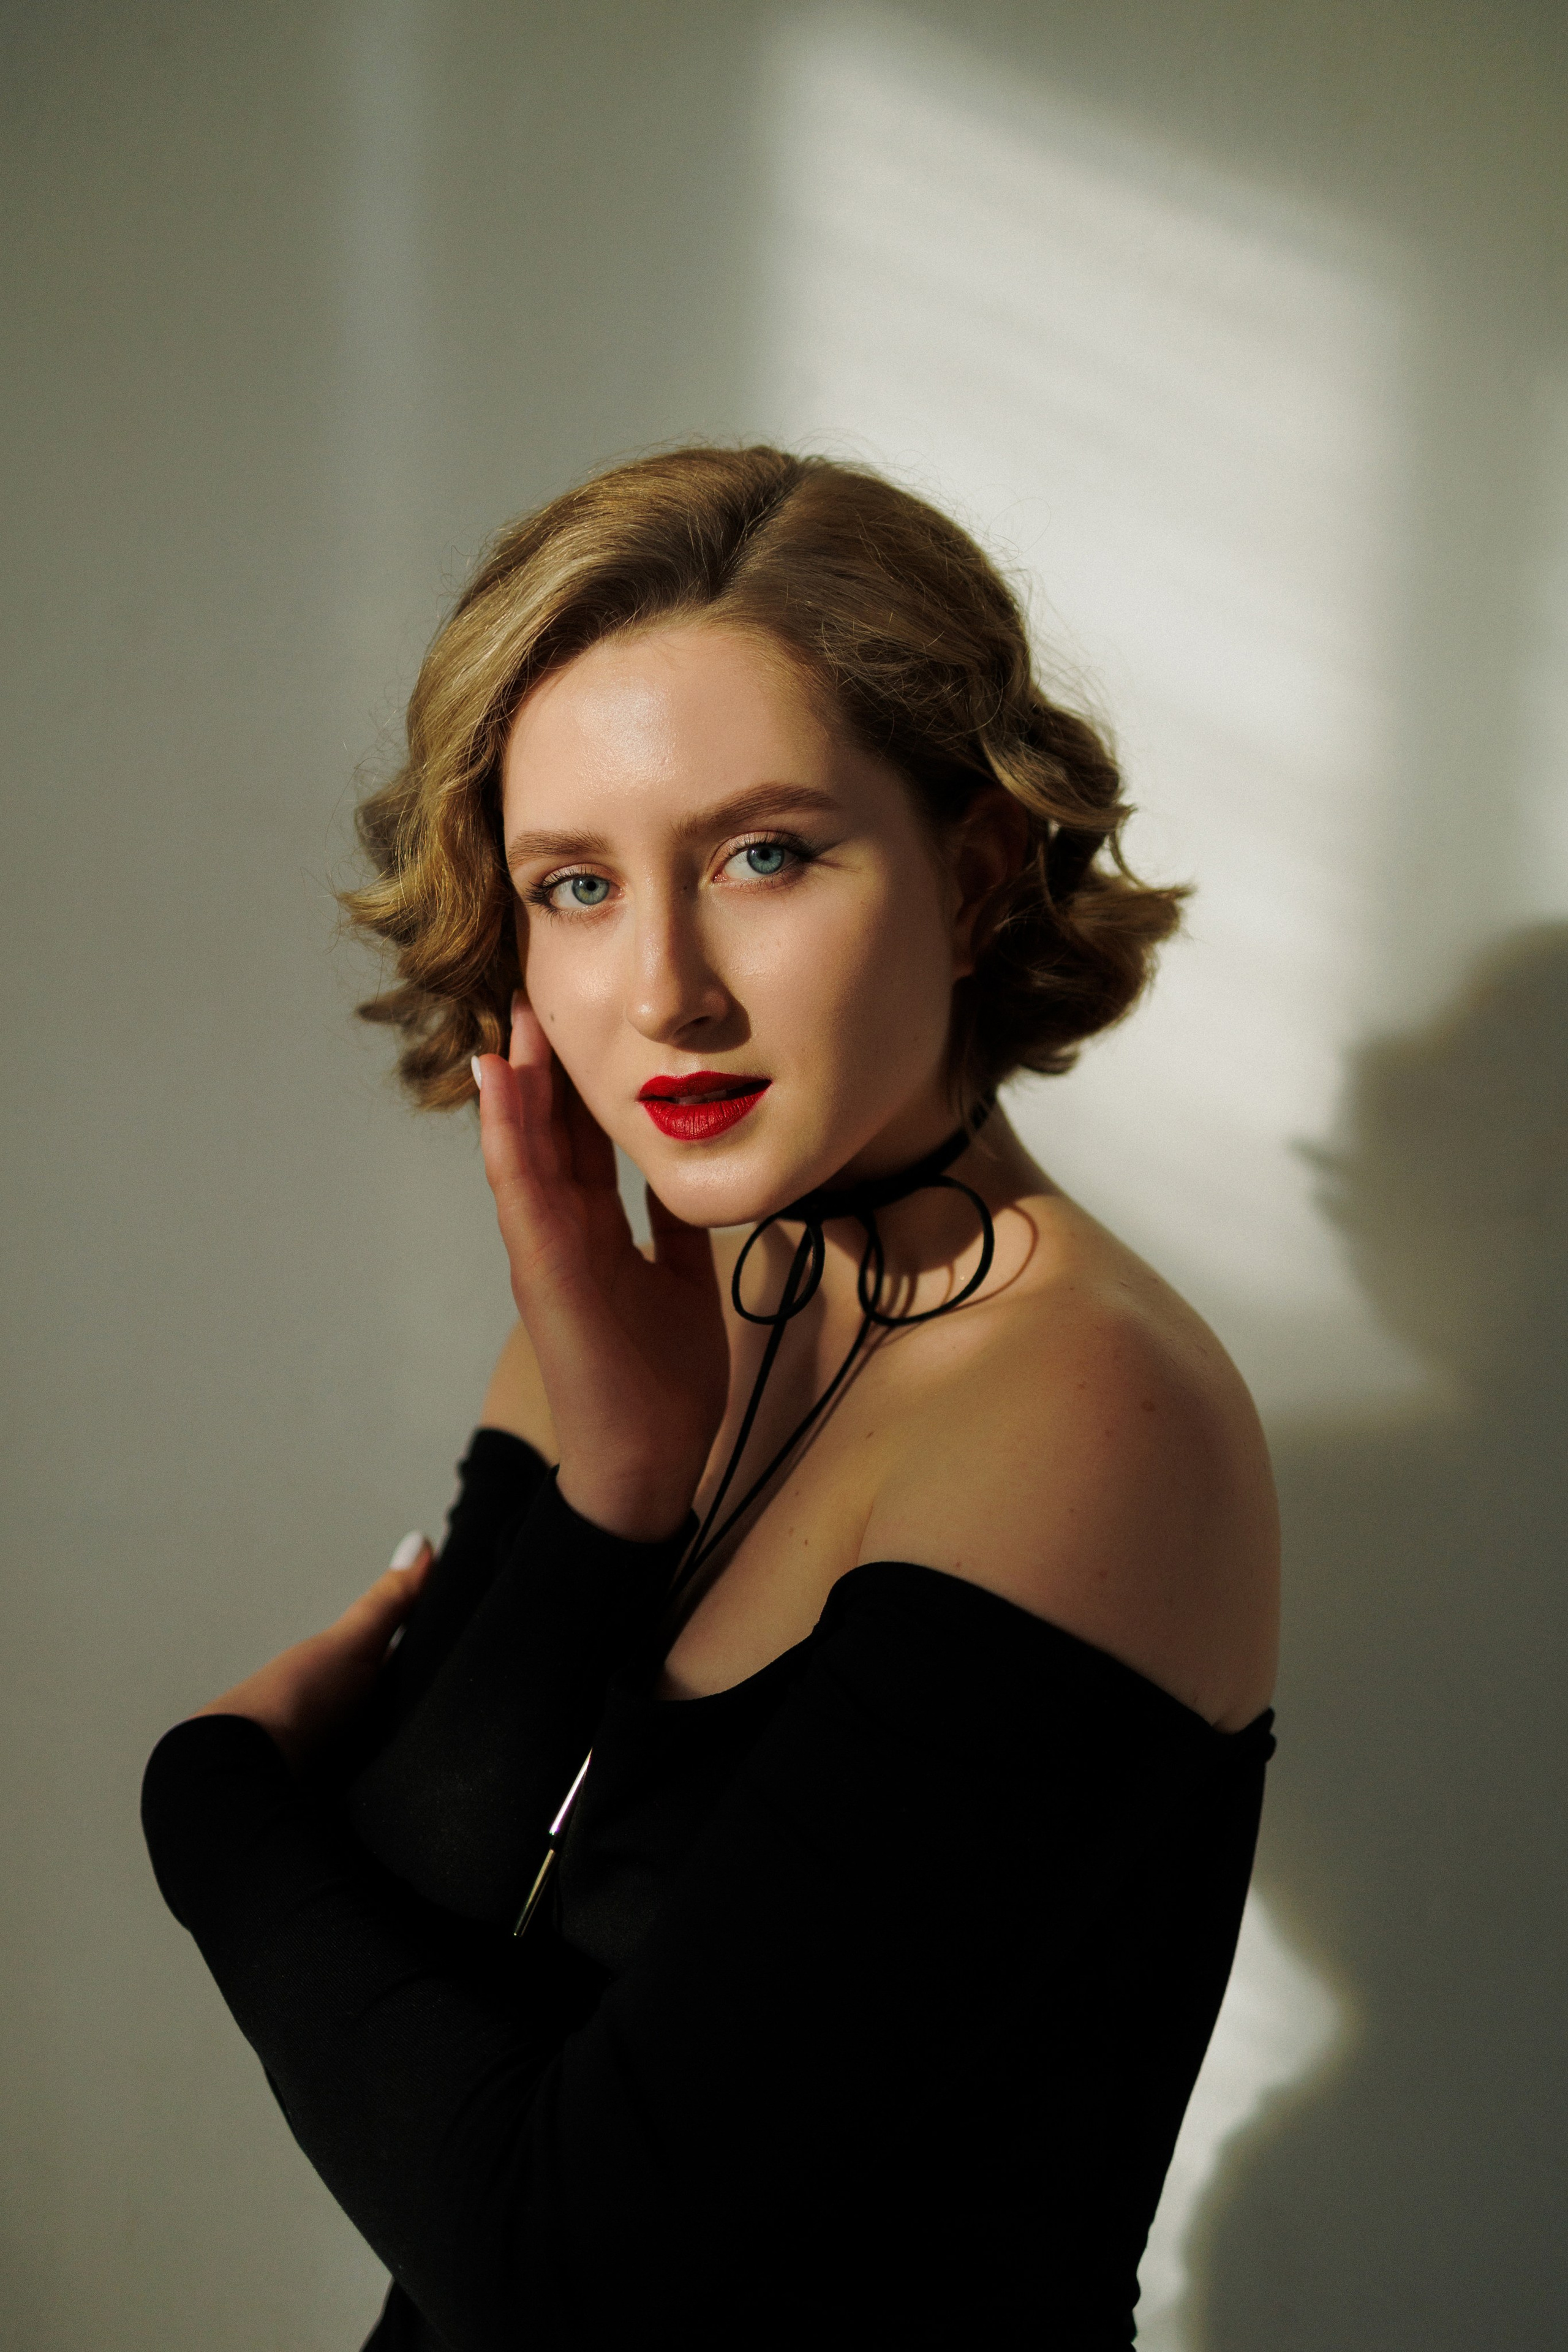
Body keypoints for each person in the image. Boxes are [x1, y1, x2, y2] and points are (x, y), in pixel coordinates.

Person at [141, 446, 1280, 2351]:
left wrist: (205, 1802)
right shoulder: (638, 1334)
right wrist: (616, 1485)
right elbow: (424, 1908)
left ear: (979, 869)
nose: (662, 988)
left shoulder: (1087, 1410)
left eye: (764, 853)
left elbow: (566, 2264)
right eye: (576, 885)